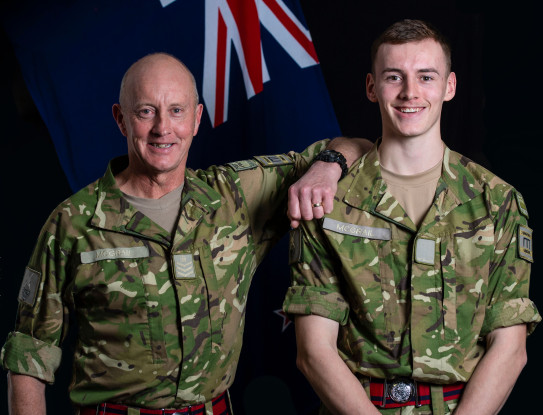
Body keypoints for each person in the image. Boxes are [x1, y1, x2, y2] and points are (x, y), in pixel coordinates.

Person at [1, 52, 372, 414]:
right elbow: (29, 351)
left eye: (177, 111)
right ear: (121, 119)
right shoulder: (73, 223)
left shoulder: (234, 197)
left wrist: (327, 168)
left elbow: (359, 148)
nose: (163, 128)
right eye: (146, 111)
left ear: (196, 119)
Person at [283, 19, 540, 415]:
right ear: (372, 87)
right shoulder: (328, 200)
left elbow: (510, 347)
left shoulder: (498, 202)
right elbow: (314, 351)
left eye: (426, 77)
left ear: (449, 87)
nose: (409, 93)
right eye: (393, 77)